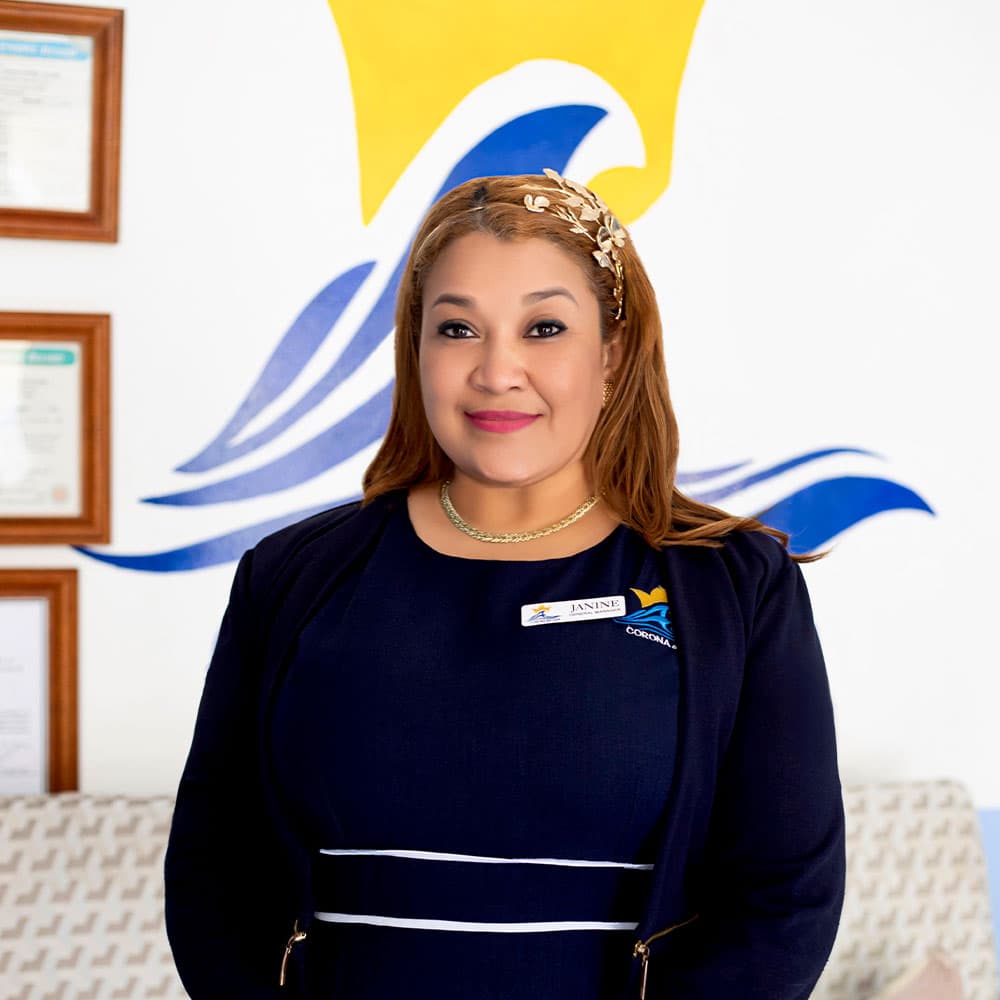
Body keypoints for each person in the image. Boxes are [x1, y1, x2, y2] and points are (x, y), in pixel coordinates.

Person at [164, 170, 846, 999]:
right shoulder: (293, 576)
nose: (496, 370)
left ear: (613, 353)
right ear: (417, 350)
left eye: (544, 327)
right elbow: (212, 873)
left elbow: (785, 903)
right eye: (457, 329)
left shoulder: (735, 590)